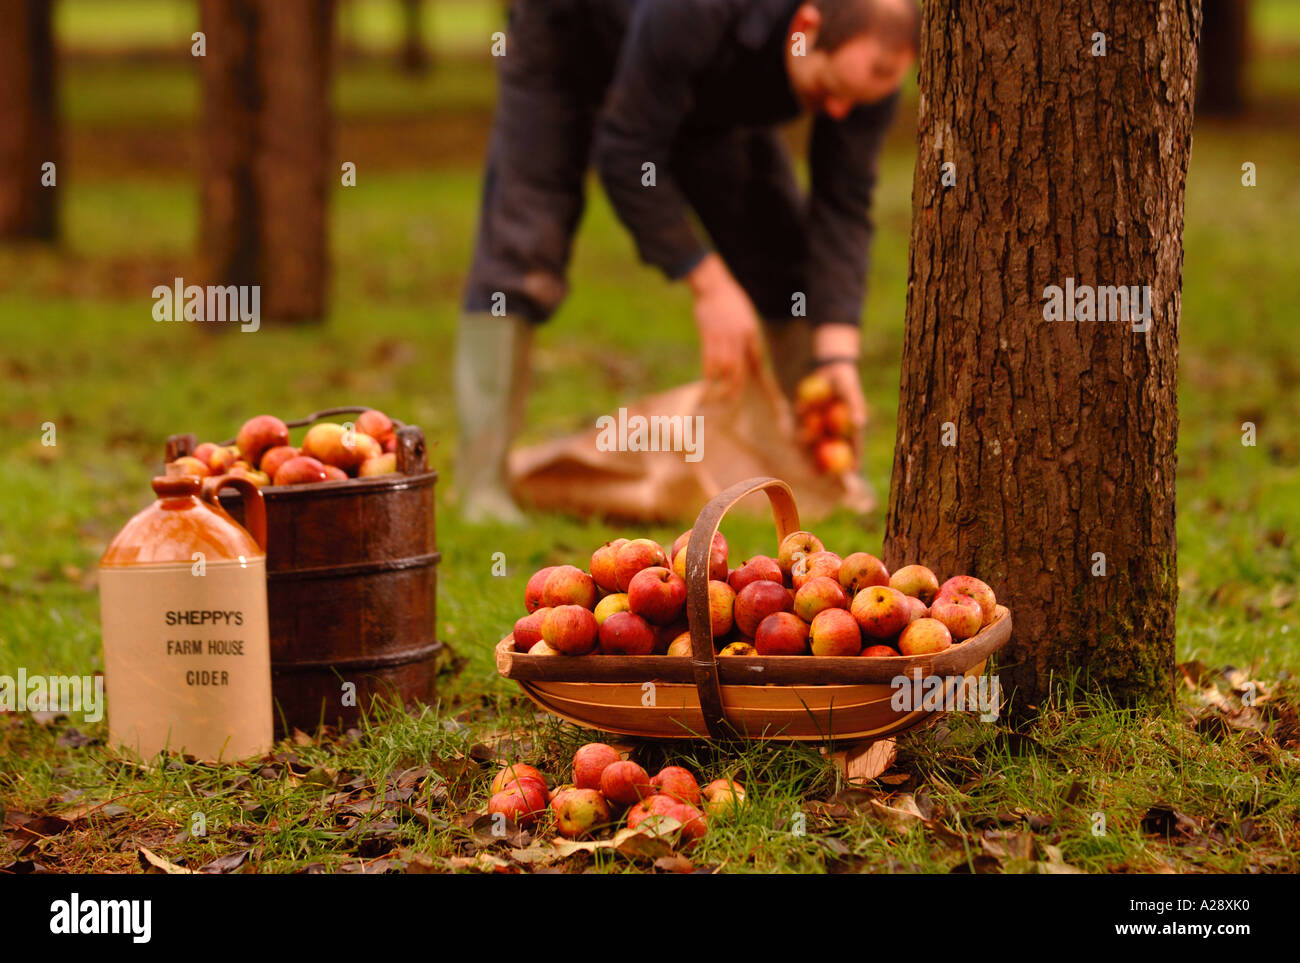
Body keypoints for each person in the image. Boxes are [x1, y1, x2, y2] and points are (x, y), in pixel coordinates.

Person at [456, 0, 919, 522]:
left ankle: (817, 471)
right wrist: (708, 282)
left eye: (855, 99)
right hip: (567, 43)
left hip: (702, 88)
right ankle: (482, 486)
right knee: (523, 250)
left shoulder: (868, 75)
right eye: (822, 92)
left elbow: (844, 205)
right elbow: (629, 155)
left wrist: (837, 355)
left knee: (783, 259)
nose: (836, 112)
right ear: (806, 27)